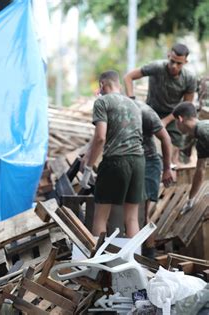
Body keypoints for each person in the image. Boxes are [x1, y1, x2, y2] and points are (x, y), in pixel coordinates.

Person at [81, 70, 145, 237]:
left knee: (101, 217)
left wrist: (88, 168)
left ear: (102, 84)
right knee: (131, 218)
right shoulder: (134, 105)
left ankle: (97, 262)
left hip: (116, 161)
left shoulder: (102, 102)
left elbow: (100, 137)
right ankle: (133, 261)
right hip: (138, 161)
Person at [123, 43, 197, 165]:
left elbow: (186, 107)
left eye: (179, 63)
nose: (174, 66)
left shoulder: (189, 78)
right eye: (172, 61)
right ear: (168, 56)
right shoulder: (156, 67)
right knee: (141, 143)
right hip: (151, 111)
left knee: (174, 152)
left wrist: (166, 121)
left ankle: (172, 171)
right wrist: (132, 101)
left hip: (174, 115)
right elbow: (128, 77)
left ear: (185, 62)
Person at [136, 100, 175, 258]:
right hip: (134, 162)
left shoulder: (146, 114)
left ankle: (148, 256)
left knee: (143, 215)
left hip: (150, 164)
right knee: (134, 215)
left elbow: (166, 139)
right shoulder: (120, 112)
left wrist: (167, 169)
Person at [172, 102, 209, 214]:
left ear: (180, 119)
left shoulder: (204, 130)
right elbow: (200, 170)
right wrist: (191, 199)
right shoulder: (200, 137)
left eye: (175, 122)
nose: (176, 126)